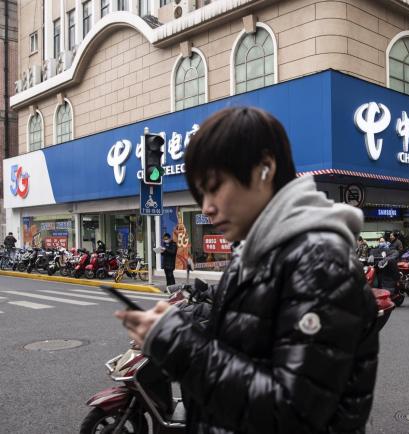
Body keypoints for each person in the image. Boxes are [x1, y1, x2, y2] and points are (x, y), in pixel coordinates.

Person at [115, 107, 379, 433]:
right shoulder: (258, 250)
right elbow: (252, 329)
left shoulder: (318, 262)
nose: (207, 207)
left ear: (265, 168)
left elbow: (292, 413)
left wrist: (176, 342)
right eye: (201, 194)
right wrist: (181, 319)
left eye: (214, 187)